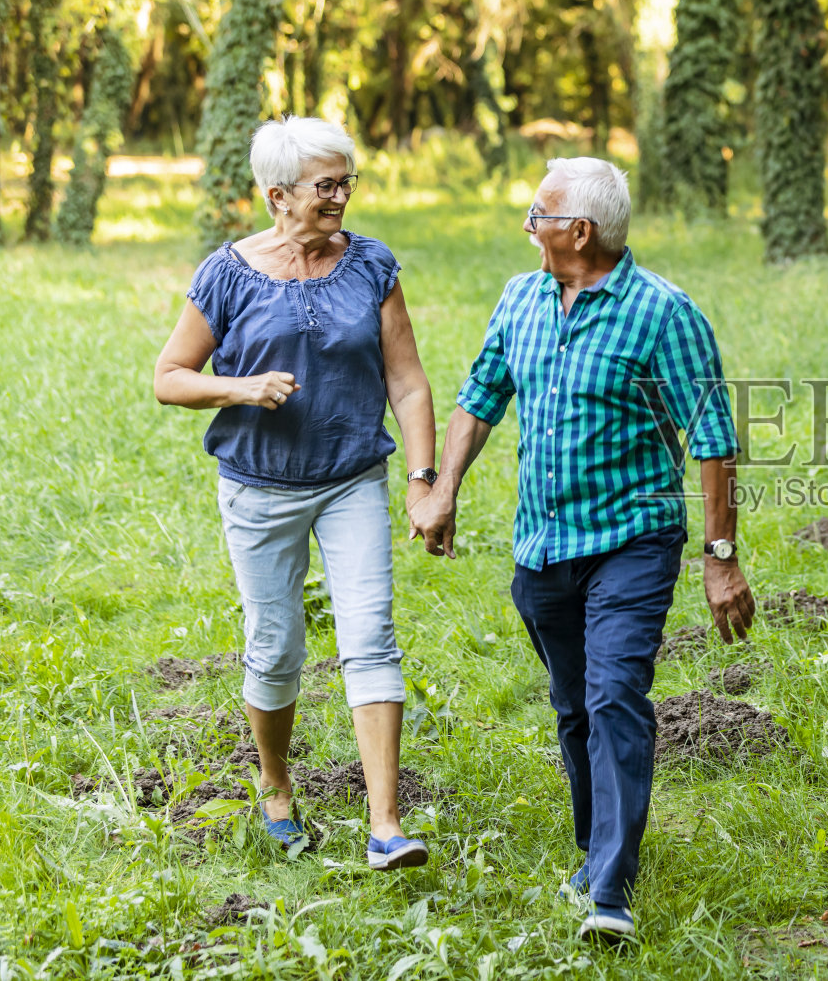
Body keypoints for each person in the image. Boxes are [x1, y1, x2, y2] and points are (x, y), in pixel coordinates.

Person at [409, 157, 755, 941]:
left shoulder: (664, 314)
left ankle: (610, 887)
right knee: (573, 706)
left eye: (537, 213)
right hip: (542, 546)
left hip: (632, 538)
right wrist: (445, 486)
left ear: (578, 231)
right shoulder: (520, 298)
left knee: (614, 697)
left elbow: (712, 437)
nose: (526, 225)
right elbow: (480, 396)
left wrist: (720, 555)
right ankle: (594, 848)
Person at [153, 116, 436, 871]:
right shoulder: (227, 274)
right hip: (259, 489)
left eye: (346, 181)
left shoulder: (372, 265)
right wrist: (241, 388)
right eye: (326, 185)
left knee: (370, 637)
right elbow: (169, 376)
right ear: (278, 195)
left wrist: (423, 478)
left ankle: (385, 825)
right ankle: (276, 785)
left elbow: (407, 381)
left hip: (351, 479)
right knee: (275, 649)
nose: (341, 196)